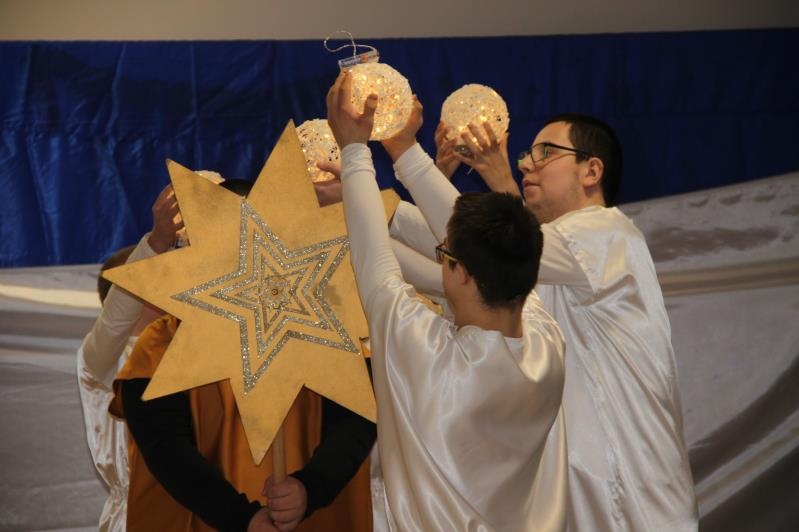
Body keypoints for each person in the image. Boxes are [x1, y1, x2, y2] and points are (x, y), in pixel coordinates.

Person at [389, 111, 699, 530]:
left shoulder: (606, 233)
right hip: (580, 500)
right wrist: (369, 210)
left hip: (634, 500)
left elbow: (483, 243)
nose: (526, 165)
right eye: (527, 154)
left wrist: (405, 153)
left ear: (592, 170)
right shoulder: (540, 270)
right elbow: (447, 266)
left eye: (546, 152)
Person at [327, 70, 569, 531]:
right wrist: (401, 150)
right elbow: (477, 240)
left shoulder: (427, 353)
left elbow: (373, 264)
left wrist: (356, 149)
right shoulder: (545, 343)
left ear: (459, 272)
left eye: (444, 254)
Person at [110, 178, 376, 532]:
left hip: (309, 515)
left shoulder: (324, 328)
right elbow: (165, 448)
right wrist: (242, 519)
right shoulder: (163, 343)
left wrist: (309, 488)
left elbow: (356, 421)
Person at [78, 184, 184, 531]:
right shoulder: (100, 362)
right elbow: (115, 320)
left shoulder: (192, 349)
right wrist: (155, 243)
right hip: (137, 518)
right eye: (156, 276)